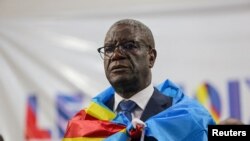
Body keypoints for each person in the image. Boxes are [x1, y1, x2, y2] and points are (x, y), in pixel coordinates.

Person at [63, 19, 215, 141]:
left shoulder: (190, 118)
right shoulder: (83, 126)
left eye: (129, 46)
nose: (116, 55)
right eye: (109, 49)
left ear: (151, 57)